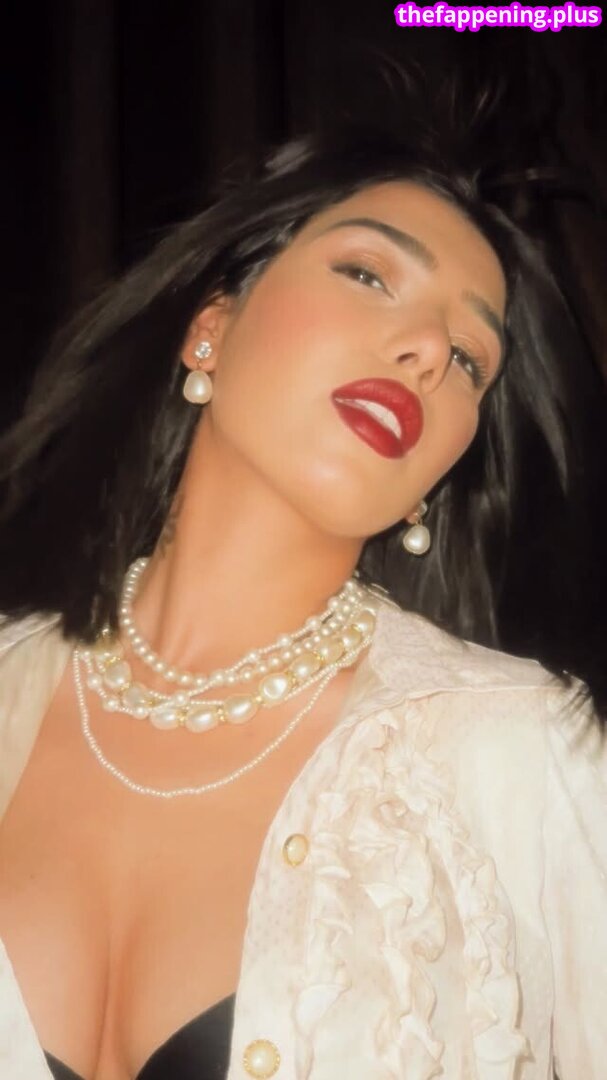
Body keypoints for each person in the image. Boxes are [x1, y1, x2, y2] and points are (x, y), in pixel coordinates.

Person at [0, 123, 605, 1080]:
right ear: (211, 325)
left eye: (468, 359)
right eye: (367, 274)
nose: (425, 348)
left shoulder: (521, 750)